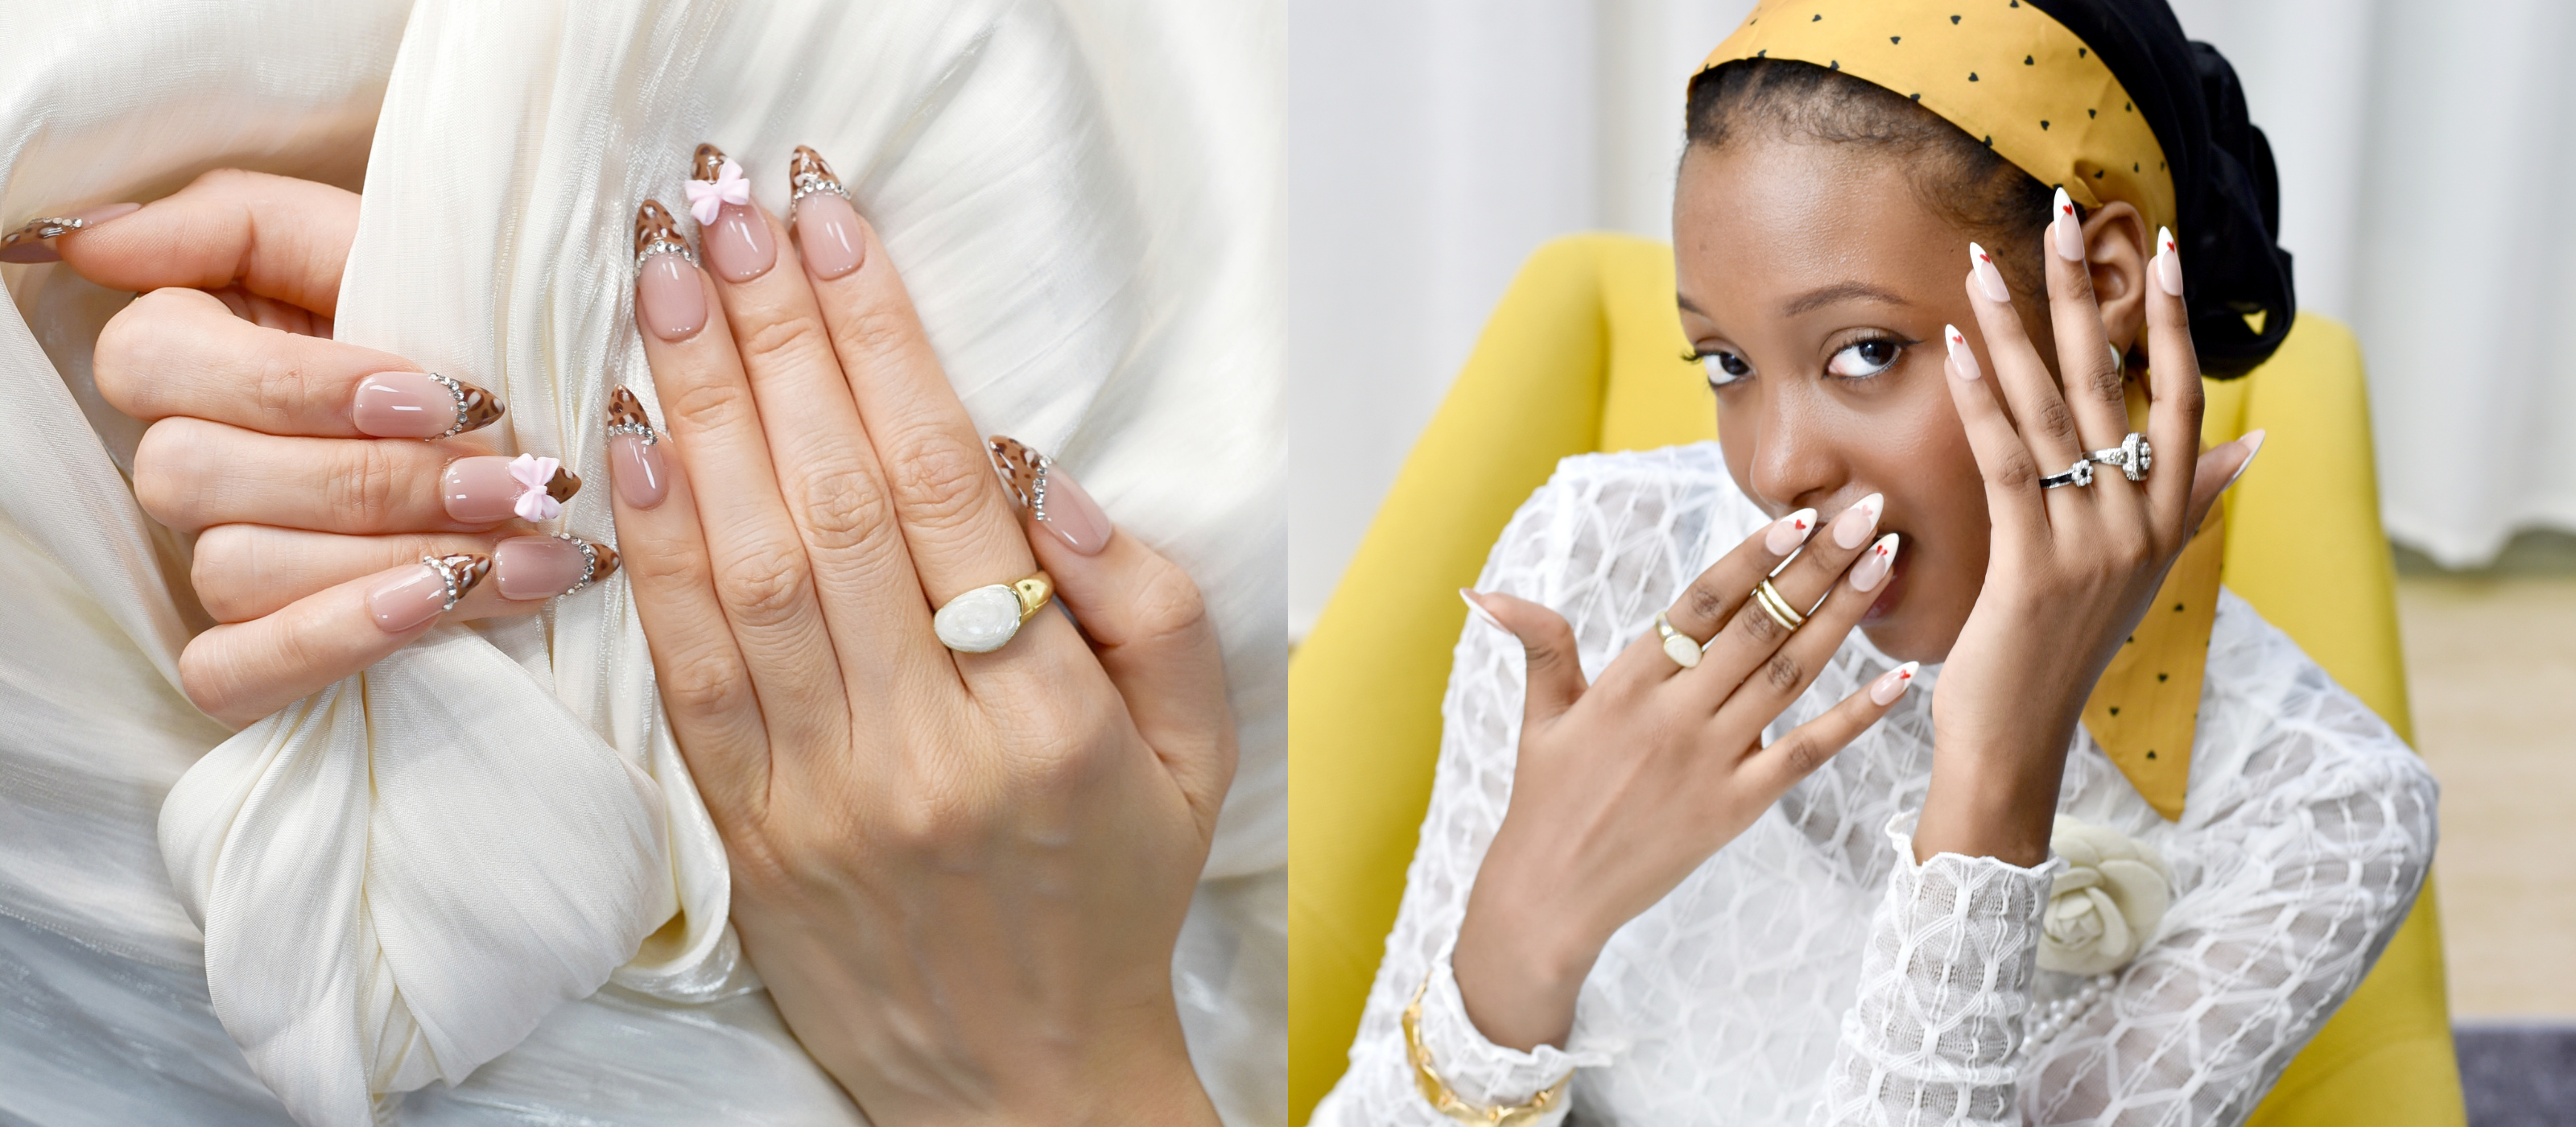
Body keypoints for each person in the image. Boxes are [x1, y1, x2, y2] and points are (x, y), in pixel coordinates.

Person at [1312, 1, 2434, 1124]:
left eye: (1864, 351)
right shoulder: (1598, 559)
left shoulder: (2325, 814)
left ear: (2099, 285)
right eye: (1726, 362)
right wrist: (1527, 929)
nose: (1776, 465)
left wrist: (1997, 776)